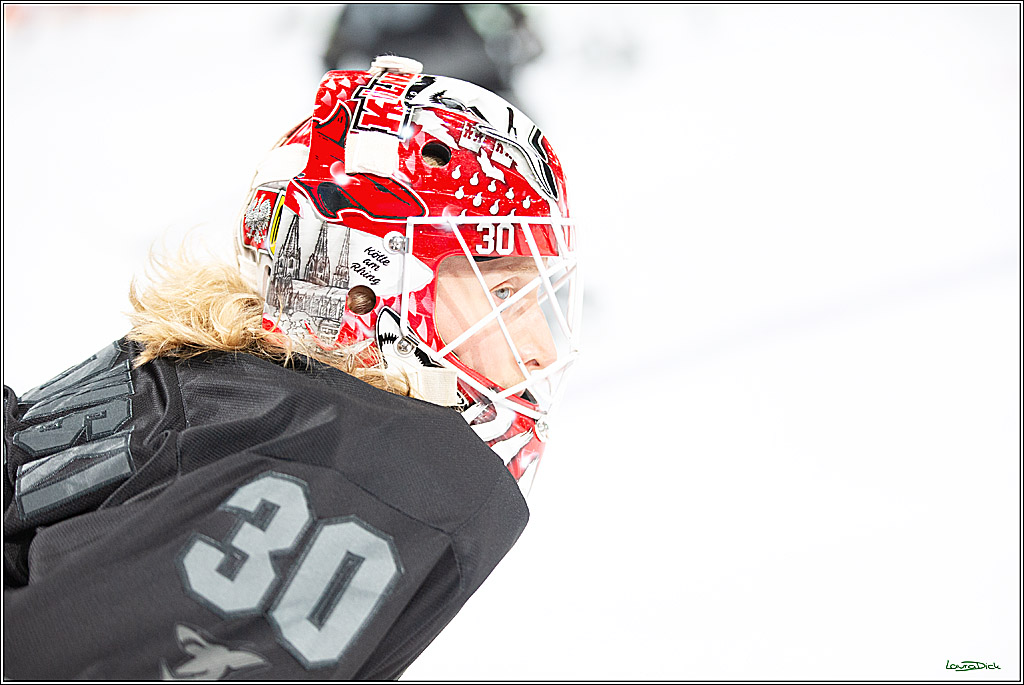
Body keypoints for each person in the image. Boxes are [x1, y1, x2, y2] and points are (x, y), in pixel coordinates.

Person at [2, 55, 581, 679]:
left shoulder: (209, 375)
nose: (542, 350)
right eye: (503, 295)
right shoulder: (380, 473)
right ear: (368, 287)